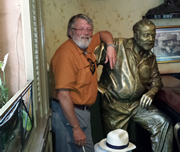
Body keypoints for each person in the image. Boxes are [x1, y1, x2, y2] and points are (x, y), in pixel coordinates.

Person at [95, 19, 173, 152]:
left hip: (137, 105)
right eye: (146, 35)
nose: (150, 39)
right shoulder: (116, 46)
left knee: (163, 123)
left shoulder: (151, 57)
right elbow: (86, 64)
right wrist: (98, 88)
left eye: (153, 35)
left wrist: (152, 92)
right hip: (115, 106)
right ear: (136, 35)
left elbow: (157, 82)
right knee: (117, 145)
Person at [50, 14, 117, 152]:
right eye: (80, 29)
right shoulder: (66, 54)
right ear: (70, 32)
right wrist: (76, 128)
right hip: (69, 114)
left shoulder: (85, 45)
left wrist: (110, 46)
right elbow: (63, 95)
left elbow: (104, 34)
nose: (86, 32)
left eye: (89, 29)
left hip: (83, 112)